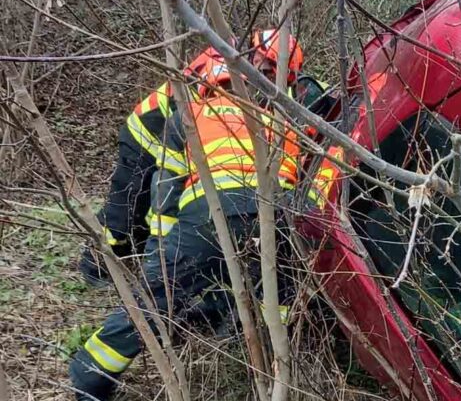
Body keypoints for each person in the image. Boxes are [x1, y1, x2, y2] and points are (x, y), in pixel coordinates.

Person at [69, 31, 325, 401]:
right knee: (276, 296)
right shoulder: (290, 121)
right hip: (271, 219)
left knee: (157, 302)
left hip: (205, 218)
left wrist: (160, 252)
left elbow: (165, 190)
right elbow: (312, 178)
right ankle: (260, 363)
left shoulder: (192, 110)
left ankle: (91, 375)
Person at [79, 49, 334, 285]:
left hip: (180, 143)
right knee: (124, 213)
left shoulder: (271, 83)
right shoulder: (222, 64)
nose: (271, 75)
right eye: (267, 68)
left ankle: (142, 258)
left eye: (280, 73)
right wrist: (162, 249)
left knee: (153, 211)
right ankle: (96, 268)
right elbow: (194, 123)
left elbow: (312, 101)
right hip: (147, 136)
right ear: (255, 54)